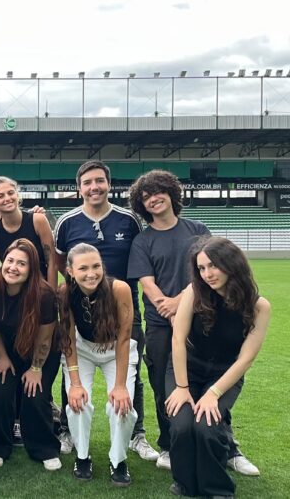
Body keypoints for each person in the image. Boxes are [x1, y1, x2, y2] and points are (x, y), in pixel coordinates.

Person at [53, 160, 157, 462]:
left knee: (131, 375)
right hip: (82, 308)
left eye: (99, 181)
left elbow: (141, 258)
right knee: (71, 369)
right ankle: (67, 431)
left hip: (123, 307)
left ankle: (137, 435)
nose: (94, 187)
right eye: (87, 182)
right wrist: (79, 292)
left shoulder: (129, 220)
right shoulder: (67, 222)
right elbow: (60, 264)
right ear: (79, 188)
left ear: (109, 184)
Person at [164, 237, 271, 498]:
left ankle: (217, 489)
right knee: (182, 425)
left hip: (225, 374)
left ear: (231, 264)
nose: (207, 274)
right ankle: (185, 483)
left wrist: (213, 393)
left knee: (207, 426)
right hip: (186, 370)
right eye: (201, 268)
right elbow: (178, 339)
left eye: (213, 265)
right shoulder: (194, 292)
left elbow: (245, 359)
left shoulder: (259, 306)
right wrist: (181, 387)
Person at [126, 170, 213, 471]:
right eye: (146, 197)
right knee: (163, 386)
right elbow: (147, 284)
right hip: (160, 324)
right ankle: (169, 445)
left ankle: (221, 444)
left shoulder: (197, 229)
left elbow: (208, 272)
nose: (153, 199)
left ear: (171, 193)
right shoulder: (142, 240)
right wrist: (171, 310)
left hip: (201, 319)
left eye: (158, 192)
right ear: (141, 205)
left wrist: (180, 303)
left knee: (207, 380)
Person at [59, 243, 138, 487]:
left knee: (122, 405)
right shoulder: (65, 292)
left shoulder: (119, 289)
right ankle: (82, 457)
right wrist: (75, 384)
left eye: (96, 266)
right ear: (70, 271)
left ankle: (118, 460)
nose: (91, 273)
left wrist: (120, 386)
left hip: (116, 350)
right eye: (83, 268)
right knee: (77, 402)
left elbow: (124, 337)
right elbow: (67, 338)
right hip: (82, 350)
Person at [0, 238, 62, 471]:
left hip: (41, 351)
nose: (13, 267)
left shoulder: (45, 294)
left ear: (32, 268)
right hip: (7, 348)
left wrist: (35, 369)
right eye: (10, 261)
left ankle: (44, 447)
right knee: (1, 391)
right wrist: (2, 356)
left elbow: (45, 338)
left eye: (21, 264)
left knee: (35, 394)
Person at [0, 176, 57, 289]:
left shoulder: (38, 221)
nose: (7, 198)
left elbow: (52, 263)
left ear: (17, 195)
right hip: (11, 293)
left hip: (40, 291)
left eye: (11, 193)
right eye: (0, 196)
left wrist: (51, 294)